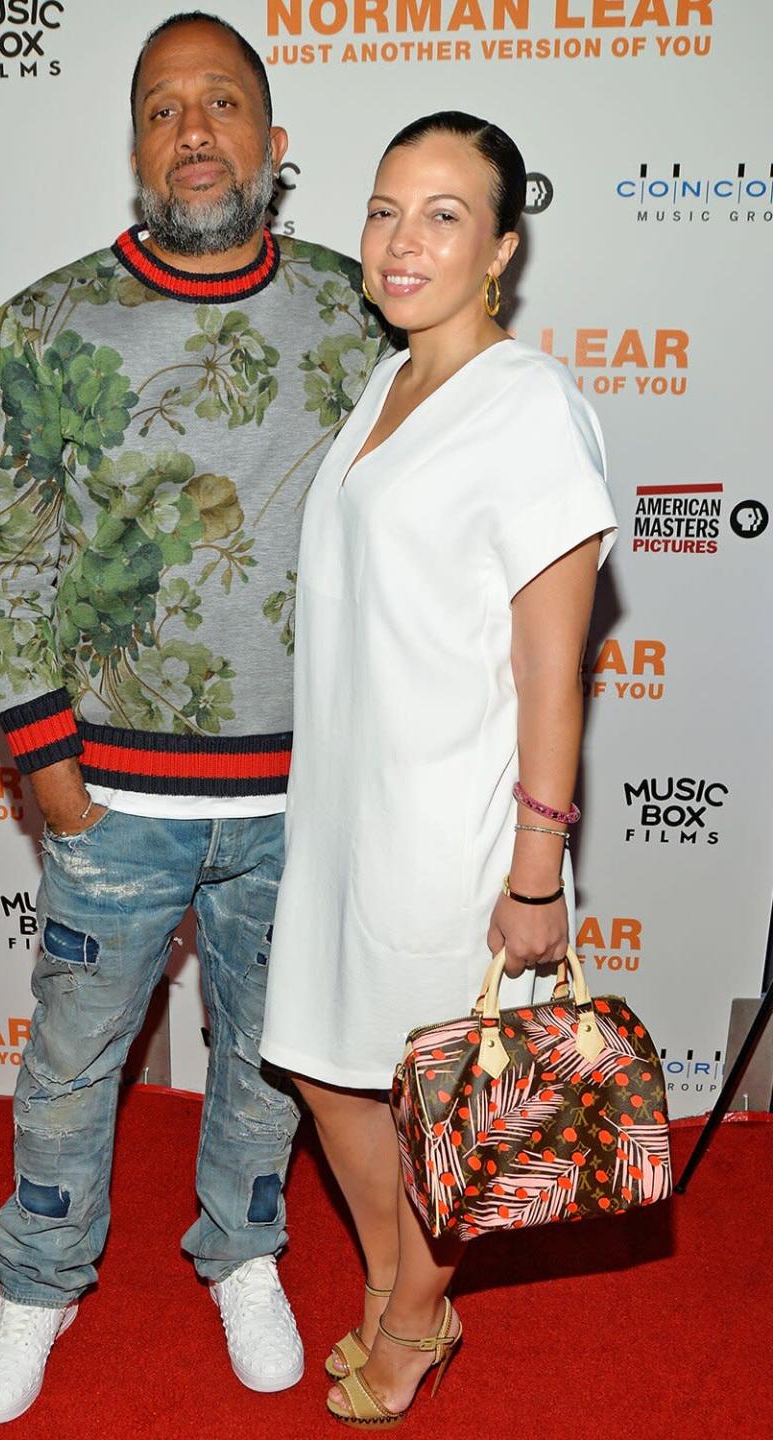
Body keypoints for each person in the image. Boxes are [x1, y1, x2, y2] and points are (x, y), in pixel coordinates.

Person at [0, 11, 383, 1424]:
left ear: (274, 141)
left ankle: (244, 1254)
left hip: (304, 795)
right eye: (161, 108)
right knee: (73, 1062)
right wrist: (50, 767)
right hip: (117, 799)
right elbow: (9, 554)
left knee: (272, 1058)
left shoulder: (362, 315)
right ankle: (37, 1280)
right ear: (137, 145)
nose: (193, 131)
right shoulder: (46, 321)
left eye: (222, 102)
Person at [260, 111, 617, 1426]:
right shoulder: (390, 375)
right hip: (346, 808)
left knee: (434, 1095)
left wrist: (534, 868)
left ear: (504, 249)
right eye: (385, 210)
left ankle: (413, 1314)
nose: (404, 242)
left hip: (450, 821)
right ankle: (405, 1282)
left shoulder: (530, 409)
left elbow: (551, 663)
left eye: (446, 215)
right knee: (318, 1059)